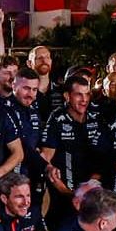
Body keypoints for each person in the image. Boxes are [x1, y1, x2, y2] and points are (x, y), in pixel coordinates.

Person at [40, 75, 99, 217]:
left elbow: (104, 158)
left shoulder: (96, 118)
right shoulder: (57, 119)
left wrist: (92, 184)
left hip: (93, 193)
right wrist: (66, 191)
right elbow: (46, 157)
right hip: (63, 195)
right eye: (79, 95)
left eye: (87, 94)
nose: (84, 100)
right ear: (67, 96)